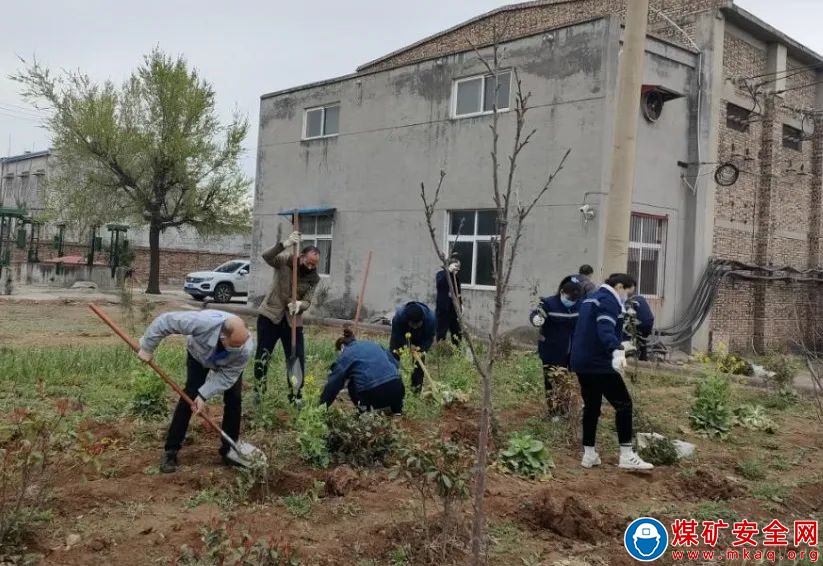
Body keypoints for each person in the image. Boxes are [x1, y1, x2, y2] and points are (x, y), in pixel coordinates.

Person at [137, 310, 255, 473]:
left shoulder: (245, 348)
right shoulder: (203, 322)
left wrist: (204, 395)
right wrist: (147, 347)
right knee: (189, 395)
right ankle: (171, 450)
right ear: (223, 337)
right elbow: (166, 321)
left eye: (241, 345)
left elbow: (227, 377)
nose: (239, 348)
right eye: (235, 345)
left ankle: (230, 450)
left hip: (228, 366)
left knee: (234, 399)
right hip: (199, 356)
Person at [570, 273, 653, 471]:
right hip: (598, 363)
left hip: (581, 361)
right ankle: (626, 454)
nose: (627, 297)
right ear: (619, 286)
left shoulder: (591, 298)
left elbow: (590, 329)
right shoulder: (608, 301)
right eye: (627, 292)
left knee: (592, 406)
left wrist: (617, 343)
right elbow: (605, 329)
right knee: (624, 404)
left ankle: (589, 454)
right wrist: (616, 350)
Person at [254, 230, 321, 404]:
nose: (311, 267)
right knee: (263, 355)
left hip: (293, 322)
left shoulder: (314, 278)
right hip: (270, 316)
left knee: (296, 358)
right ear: (302, 255)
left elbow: (307, 301)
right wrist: (284, 244)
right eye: (309, 262)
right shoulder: (285, 261)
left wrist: (299, 305)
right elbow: (266, 256)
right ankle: (259, 392)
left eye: (315, 264)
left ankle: (295, 395)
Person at [320, 327, 405, 414]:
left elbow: (333, 384)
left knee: (352, 384)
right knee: (393, 376)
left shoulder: (346, 354)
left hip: (373, 394)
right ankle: (397, 411)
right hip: (397, 389)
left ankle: (364, 411)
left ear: (342, 347)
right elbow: (395, 364)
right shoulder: (373, 344)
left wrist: (321, 406)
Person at [529, 280, 583, 414]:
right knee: (551, 381)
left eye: (575, 299)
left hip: (571, 351)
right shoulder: (549, 303)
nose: (572, 301)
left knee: (567, 381)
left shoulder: (580, 304)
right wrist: (536, 319)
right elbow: (536, 313)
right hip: (551, 351)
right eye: (570, 298)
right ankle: (553, 411)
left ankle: (565, 410)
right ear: (562, 293)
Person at [390, 301, 436, 394]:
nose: (415, 327)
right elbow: (396, 335)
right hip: (403, 334)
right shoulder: (399, 317)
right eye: (413, 325)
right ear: (408, 321)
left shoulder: (431, 320)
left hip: (421, 336)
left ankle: (416, 389)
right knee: (393, 357)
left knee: (419, 363)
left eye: (417, 325)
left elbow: (429, 339)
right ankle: (392, 385)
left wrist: (421, 349)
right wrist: (407, 345)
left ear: (422, 320)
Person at [435, 258, 463, 347]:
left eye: (458, 268)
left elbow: (458, 293)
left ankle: (457, 349)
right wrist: (448, 271)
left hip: (454, 310)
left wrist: (461, 304)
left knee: (457, 331)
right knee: (441, 331)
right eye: (456, 266)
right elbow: (440, 284)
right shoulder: (441, 275)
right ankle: (441, 349)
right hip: (443, 310)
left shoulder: (456, 278)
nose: (457, 269)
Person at [625, 294, 655, 361]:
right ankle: (643, 360)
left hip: (641, 322)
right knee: (642, 340)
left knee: (627, 335)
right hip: (650, 321)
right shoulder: (641, 298)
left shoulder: (628, 302)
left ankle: (629, 356)